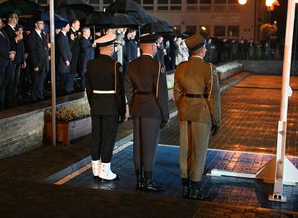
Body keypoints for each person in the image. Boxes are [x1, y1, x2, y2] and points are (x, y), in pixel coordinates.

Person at [174, 33, 221, 200]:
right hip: (202, 113)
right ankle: (195, 189)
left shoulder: (181, 67)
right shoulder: (209, 68)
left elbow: (177, 93)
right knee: (198, 152)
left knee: (185, 151)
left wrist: (183, 108)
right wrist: (216, 120)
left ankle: (186, 187)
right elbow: (213, 97)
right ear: (201, 50)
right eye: (205, 48)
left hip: (185, 111)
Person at [125, 33, 169, 192]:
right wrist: (165, 113)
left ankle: (139, 179)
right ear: (151, 46)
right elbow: (161, 93)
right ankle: (148, 181)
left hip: (138, 107)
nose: (157, 48)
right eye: (156, 45)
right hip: (152, 108)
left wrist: (133, 104)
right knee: (149, 146)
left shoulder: (132, 65)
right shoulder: (157, 65)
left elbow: (128, 90)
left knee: (138, 145)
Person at [85, 33, 126, 181]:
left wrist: (93, 103)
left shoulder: (90, 64)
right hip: (111, 107)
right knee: (108, 138)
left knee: (96, 136)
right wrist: (122, 111)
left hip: (96, 104)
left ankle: (95, 169)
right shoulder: (115, 65)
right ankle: (105, 171)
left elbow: (88, 88)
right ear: (110, 48)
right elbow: (120, 91)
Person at [2, 12, 26, 107]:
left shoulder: (16, 29)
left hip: (19, 59)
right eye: (14, 17)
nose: (16, 19)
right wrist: (16, 39)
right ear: (9, 19)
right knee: (10, 81)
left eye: (17, 17)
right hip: (11, 59)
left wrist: (23, 59)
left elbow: (21, 45)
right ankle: (9, 101)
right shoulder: (5, 30)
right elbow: (7, 44)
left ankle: (14, 98)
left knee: (16, 80)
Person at [26, 18, 50, 101]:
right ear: (36, 24)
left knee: (41, 81)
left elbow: (44, 48)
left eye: (43, 23)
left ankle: (40, 96)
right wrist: (35, 64)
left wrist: (47, 48)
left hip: (44, 62)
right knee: (35, 81)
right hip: (37, 62)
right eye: (41, 23)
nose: (43, 25)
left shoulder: (42, 34)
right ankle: (34, 97)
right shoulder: (32, 35)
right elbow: (31, 51)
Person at [56, 22, 73, 95]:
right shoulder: (61, 36)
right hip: (63, 62)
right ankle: (59, 95)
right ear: (63, 27)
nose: (69, 27)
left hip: (67, 61)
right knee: (62, 79)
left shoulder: (65, 35)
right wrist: (66, 59)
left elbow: (68, 48)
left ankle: (62, 93)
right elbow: (62, 49)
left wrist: (71, 40)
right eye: (68, 26)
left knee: (65, 78)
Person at [67, 19, 81, 91]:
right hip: (71, 57)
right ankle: (68, 88)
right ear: (73, 24)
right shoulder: (69, 33)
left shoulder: (76, 33)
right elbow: (69, 46)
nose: (79, 26)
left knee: (73, 72)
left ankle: (70, 87)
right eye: (78, 24)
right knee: (71, 72)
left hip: (75, 56)